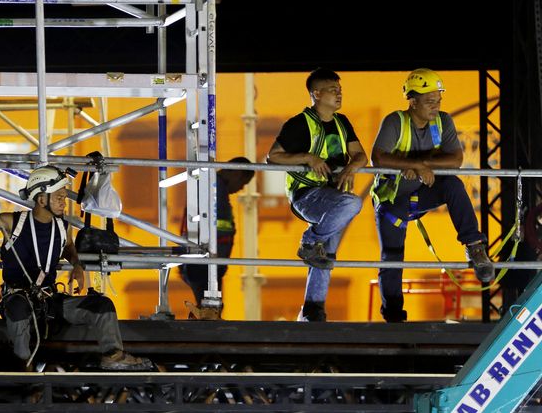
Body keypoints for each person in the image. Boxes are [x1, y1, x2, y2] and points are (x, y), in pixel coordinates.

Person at [0, 152, 152, 371]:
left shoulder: (62, 227)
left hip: (49, 299)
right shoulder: (14, 222)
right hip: (17, 297)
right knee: (18, 309)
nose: (65, 202)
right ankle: (23, 366)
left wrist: (76, 264)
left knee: (102, 305)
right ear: (42, 198)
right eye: (60, 197)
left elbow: (68, 247)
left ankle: (112, 355)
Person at [371, 68, 495, 323]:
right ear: (413, 101)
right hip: (393, 201)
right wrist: (419, 166)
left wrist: (419, 165)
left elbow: (456, 159)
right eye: (429, 102)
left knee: (453, 184)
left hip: (421, 195)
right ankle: (394, 316)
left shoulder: (442, 121)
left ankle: (474, 247)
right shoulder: (395, 122)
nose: (435, 106)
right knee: (392, 256)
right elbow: (379, 157)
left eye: (438, 100)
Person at [267, 68, 367, 322]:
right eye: (333, 90)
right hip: (306, 195)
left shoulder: (343, 123)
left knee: (327, 252)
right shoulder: (299, 124)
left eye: (340, 90)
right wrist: (308, 158)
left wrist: (351, 169)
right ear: (316, 94)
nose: (339, 94)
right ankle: (310, 241)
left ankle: (313, 309)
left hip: (332, 195)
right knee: (353, 203)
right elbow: (274, 156)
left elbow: (361, 155)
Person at [179, 157, 254, 320]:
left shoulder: (213, 186)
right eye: (242, 182)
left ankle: (203, 316)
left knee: (211, 305)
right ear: (236, 173)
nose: (240, 188)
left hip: (207, 260)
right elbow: (215, 226)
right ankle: (204, 318)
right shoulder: (214, 188)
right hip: (205, 260)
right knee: (211, 306)